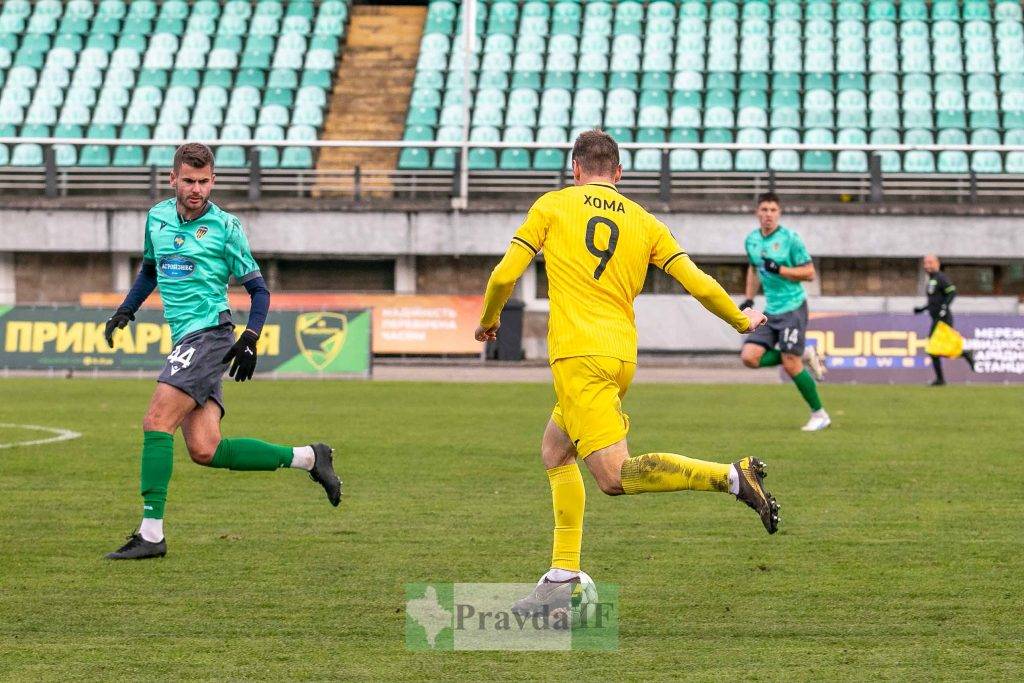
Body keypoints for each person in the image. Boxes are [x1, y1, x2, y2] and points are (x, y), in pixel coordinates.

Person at [474, 130, 779, 615]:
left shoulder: (552, 206)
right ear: (618, 173)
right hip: (620, 358)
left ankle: (730, 477)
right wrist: (741, 319)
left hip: (579, 358)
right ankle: (561, 573)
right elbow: (697, 283)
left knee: (615, 477)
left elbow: (503, 276)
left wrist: (490, 321)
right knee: (555, 451)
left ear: (575, 170)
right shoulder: (644, 221)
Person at [103, 143, 341, 560]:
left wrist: (250, 337)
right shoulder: (157, 217)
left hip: (209, 335)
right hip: (186, 339)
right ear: (173, 178)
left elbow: (258, 289)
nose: (196, 189)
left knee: (156, 421)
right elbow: (150, 271)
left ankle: (151, 534)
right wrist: (126, 309)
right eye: (189, 181)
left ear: (213, 180)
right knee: (205, 448)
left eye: (204, 181)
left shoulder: (226, 227)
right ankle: (309, 457)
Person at [738, 192, 830, 432]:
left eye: (773, 210)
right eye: (764, 209)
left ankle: (819, 414)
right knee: (749, 357)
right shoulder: (752, 240)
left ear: (779, 213)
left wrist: (780, 269)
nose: (768, 214)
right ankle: (804, 353)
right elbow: (753, 269)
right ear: (757, 212)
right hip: (771, 310)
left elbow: (809, 272)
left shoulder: (791, 239)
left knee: (791, 364)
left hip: (793, 307)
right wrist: (749, 298)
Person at [914, 254, 975, 386]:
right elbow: (934, 301)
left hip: (943, 319)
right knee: (936, 349)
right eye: (925, 263)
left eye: (930, 262)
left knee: (932, 349)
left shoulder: (941, 277)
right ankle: (963, 354)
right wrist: (922, 309)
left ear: (937, 263)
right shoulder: (931, 280)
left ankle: (941, 378)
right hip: (936, 318)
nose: (927, 265)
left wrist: (944, 307)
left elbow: (952, 292)